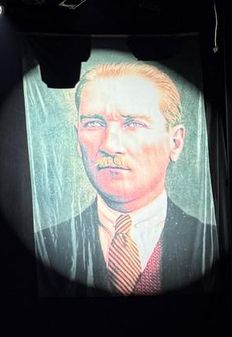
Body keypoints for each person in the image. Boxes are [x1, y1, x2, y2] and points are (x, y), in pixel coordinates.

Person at [35, 62, 219, 297]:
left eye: (133, 124)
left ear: (175, 142)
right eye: (93, 124)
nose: (110, 145)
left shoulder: (212, 243)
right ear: (77, 139)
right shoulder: (46, 246)